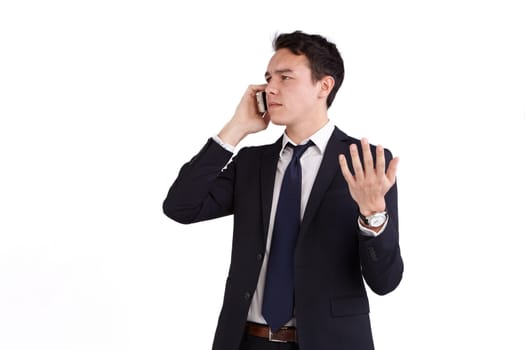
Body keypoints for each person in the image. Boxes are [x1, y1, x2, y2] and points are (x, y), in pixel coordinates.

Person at [163, 30, 403, 350]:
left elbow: (385, 281)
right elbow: (180, 206)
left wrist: (373, 215)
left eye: (285, 77)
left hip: (330, 342)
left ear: (324, 86)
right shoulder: (252, 163)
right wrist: (235, 129)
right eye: (268, 77)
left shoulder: (365, 164)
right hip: (247, 341)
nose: (270, 87)